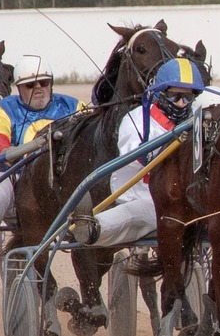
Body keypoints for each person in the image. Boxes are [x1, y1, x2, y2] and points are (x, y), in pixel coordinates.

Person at [78, 56, 212, 248]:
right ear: (161, 94)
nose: (182, 103)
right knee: (138, 216)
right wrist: (170, 145)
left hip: (187, 201)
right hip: (143, 197)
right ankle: (92, 228)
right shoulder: (137, 119)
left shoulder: (196, 118)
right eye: (176, 96)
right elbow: (134, 155)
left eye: (188, 97)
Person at [0, 55, 84, 227]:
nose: (38, 88)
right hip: (19, 180)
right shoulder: (2, 109)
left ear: (51, 84)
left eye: (44, 83)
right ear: (19, 88)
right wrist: (4, 151)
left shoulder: (74, 106)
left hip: (67, 181)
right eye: (30, 85)